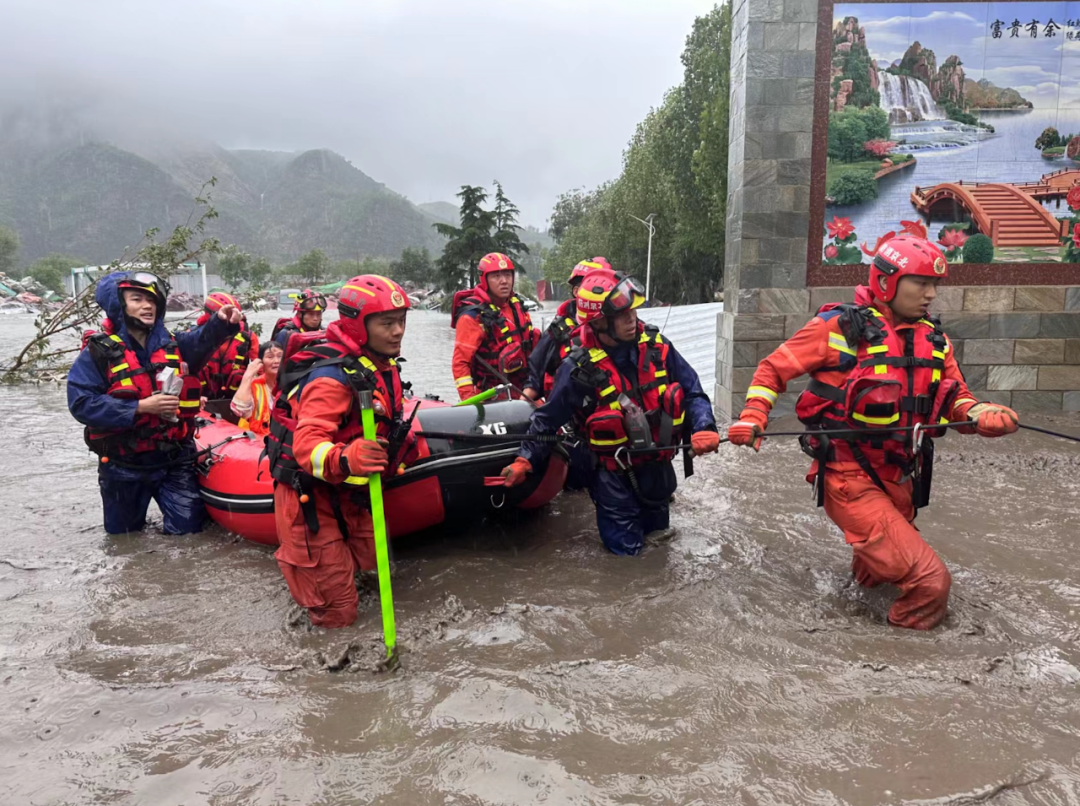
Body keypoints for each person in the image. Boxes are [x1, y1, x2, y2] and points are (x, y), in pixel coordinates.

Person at [727, 235, 1019, 630]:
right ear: (887, 281)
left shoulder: (934, 340)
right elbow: (772, 370)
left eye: (936, 285)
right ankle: (903, 667)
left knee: (876, 574)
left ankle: (853, 619)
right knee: (931, 584)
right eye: (922, 283)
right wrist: (753, 415)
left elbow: (955, 397)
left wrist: (980, 412)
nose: (932, 294)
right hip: (849, 478)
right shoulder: (838, 328)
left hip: (899, 477)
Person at [501, 267, 720, 555]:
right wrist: (525, 460)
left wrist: (705, 426)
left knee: (661, 544)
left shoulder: (658, 348)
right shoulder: (577, 369)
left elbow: (692, 390)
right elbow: (547, 418)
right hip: (612, 478)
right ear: (600, 321)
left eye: (633, 311)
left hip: (656, 468)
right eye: (622, 314)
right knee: (627, 556)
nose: (632, 319)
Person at [266, 274, 413, 628]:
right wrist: (347, 457)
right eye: (387, 323)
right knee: (339, 612)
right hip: (311, 500)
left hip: (354, 496)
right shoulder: (331, 378)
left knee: (376, 581)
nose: (398, 331)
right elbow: (308, 448)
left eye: (402, 321)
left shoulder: (381, 365)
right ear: (358, 324)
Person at [68, 271, 242, 535]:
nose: (147, 305)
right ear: (119, 304)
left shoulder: (175, 345)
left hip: (173, 460)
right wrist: (140, 407)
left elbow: (203, 339)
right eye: (137, 299)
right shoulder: (96, 354)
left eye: (152, 300)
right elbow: (81, 404)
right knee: (124, 538)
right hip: (123, 464)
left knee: (189, 535)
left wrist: (221, 322)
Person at [451, 252, 538, 401]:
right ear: (485, 280)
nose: (504, 281)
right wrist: (470, 403)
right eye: (496, 276)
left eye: (507, 275)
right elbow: (460, 364)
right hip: (492, 396)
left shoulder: (516, 305)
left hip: (525, 390)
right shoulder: (473, 317)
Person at [525, 257, 611, 399]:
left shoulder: (624, 326)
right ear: (577, 292)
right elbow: (534, 378)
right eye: (597, 288)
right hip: (568, 413)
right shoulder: (557, 332)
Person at [195, 291, 259, 400]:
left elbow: (259, 367)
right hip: (203, 398)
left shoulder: (248, 336)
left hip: (236, 397)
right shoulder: (195, 335)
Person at [231, 340, 283, 436]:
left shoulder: (292, 384)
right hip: (257, 439)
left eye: (280, 356)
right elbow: (239, 410)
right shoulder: (254, 385)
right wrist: (248, 374)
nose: (276, 361)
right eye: (270, 357)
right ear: (261, 362)